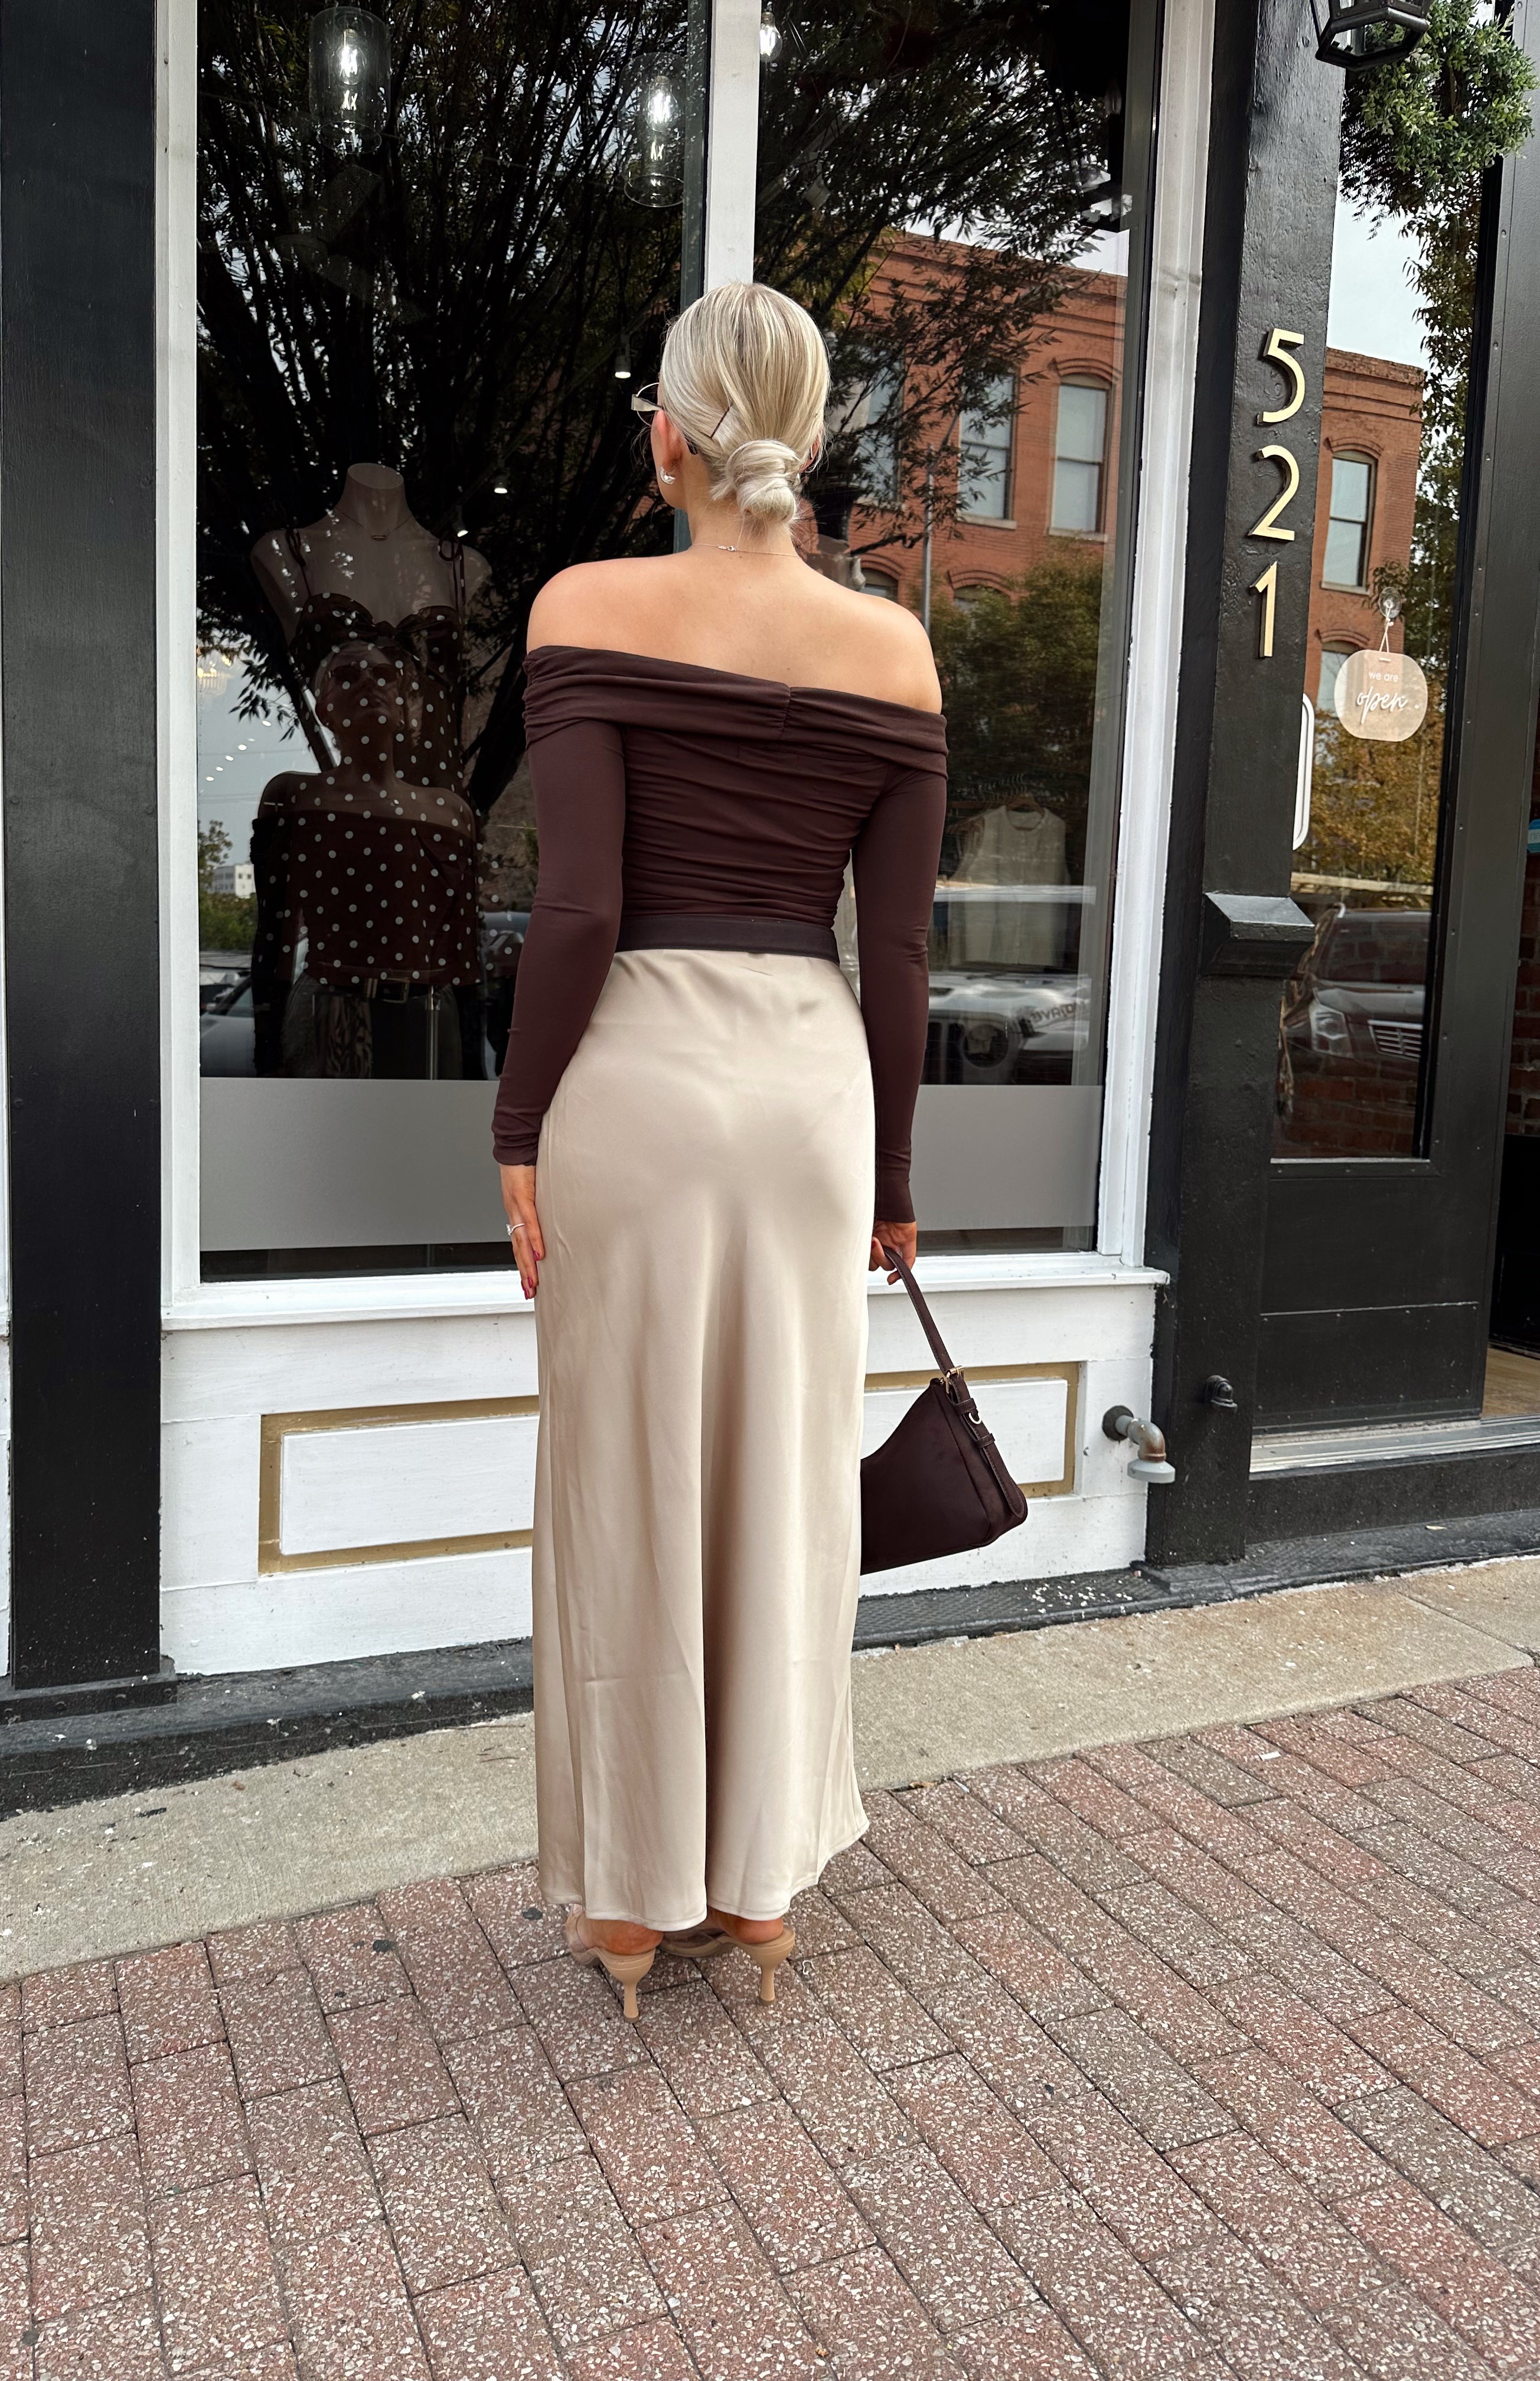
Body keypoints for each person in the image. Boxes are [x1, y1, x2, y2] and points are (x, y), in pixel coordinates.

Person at [492, 281, 946, 2017]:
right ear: (807, 444)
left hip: (640, 1079)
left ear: (668, 439)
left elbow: (580, 911)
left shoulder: (588, 606)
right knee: (784, 1482)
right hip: (810, 1089)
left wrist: (517, 1129)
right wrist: (892, 1182)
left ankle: (630, 1903)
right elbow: (898, 954)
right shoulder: (892, 650)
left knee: (628, 1484)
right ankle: (759, 1894)